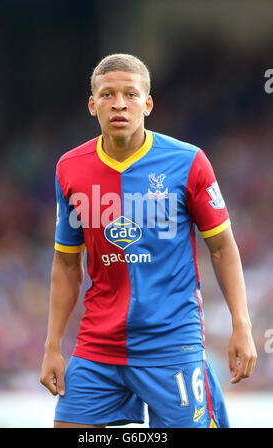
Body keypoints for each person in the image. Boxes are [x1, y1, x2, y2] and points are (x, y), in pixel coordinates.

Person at [40, 53, 257, 428]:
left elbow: (222, 248)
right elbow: (65, 263)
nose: (119, 103)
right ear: (93, 105)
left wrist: (242, 325)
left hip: (171, 344)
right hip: (98, 346)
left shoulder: (188, 162)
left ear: (148, 103)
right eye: (107, 94)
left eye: (130, 94)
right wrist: (52, 346)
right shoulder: (69, 169)